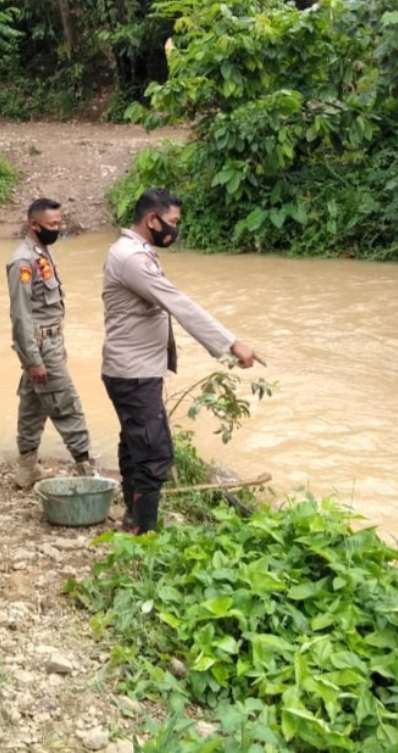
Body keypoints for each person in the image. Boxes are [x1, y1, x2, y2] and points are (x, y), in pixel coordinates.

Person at [101, 187, 265, 534]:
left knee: (135, 442)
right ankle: (143, 532)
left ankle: (133, 516)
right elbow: (180, 304)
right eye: (172, 222)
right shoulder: (133, 258)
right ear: (151, 219)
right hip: (133, 372)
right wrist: (232, 344)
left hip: (130, 369)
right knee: (153, 452)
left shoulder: (133, 251)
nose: (175, 230)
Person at [6, 198, 95, 488]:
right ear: (33, 224)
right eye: (52, 225)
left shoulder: (43, 252)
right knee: (66, 403)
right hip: (40, 346)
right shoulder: (23, 261)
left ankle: (26, 468)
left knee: (32, 405)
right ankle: (86, 470)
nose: (57, 229)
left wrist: (59, 342)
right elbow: (21, 316)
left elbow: (49, 308)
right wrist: (34, 359)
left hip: (50, 342)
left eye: (59, 223)